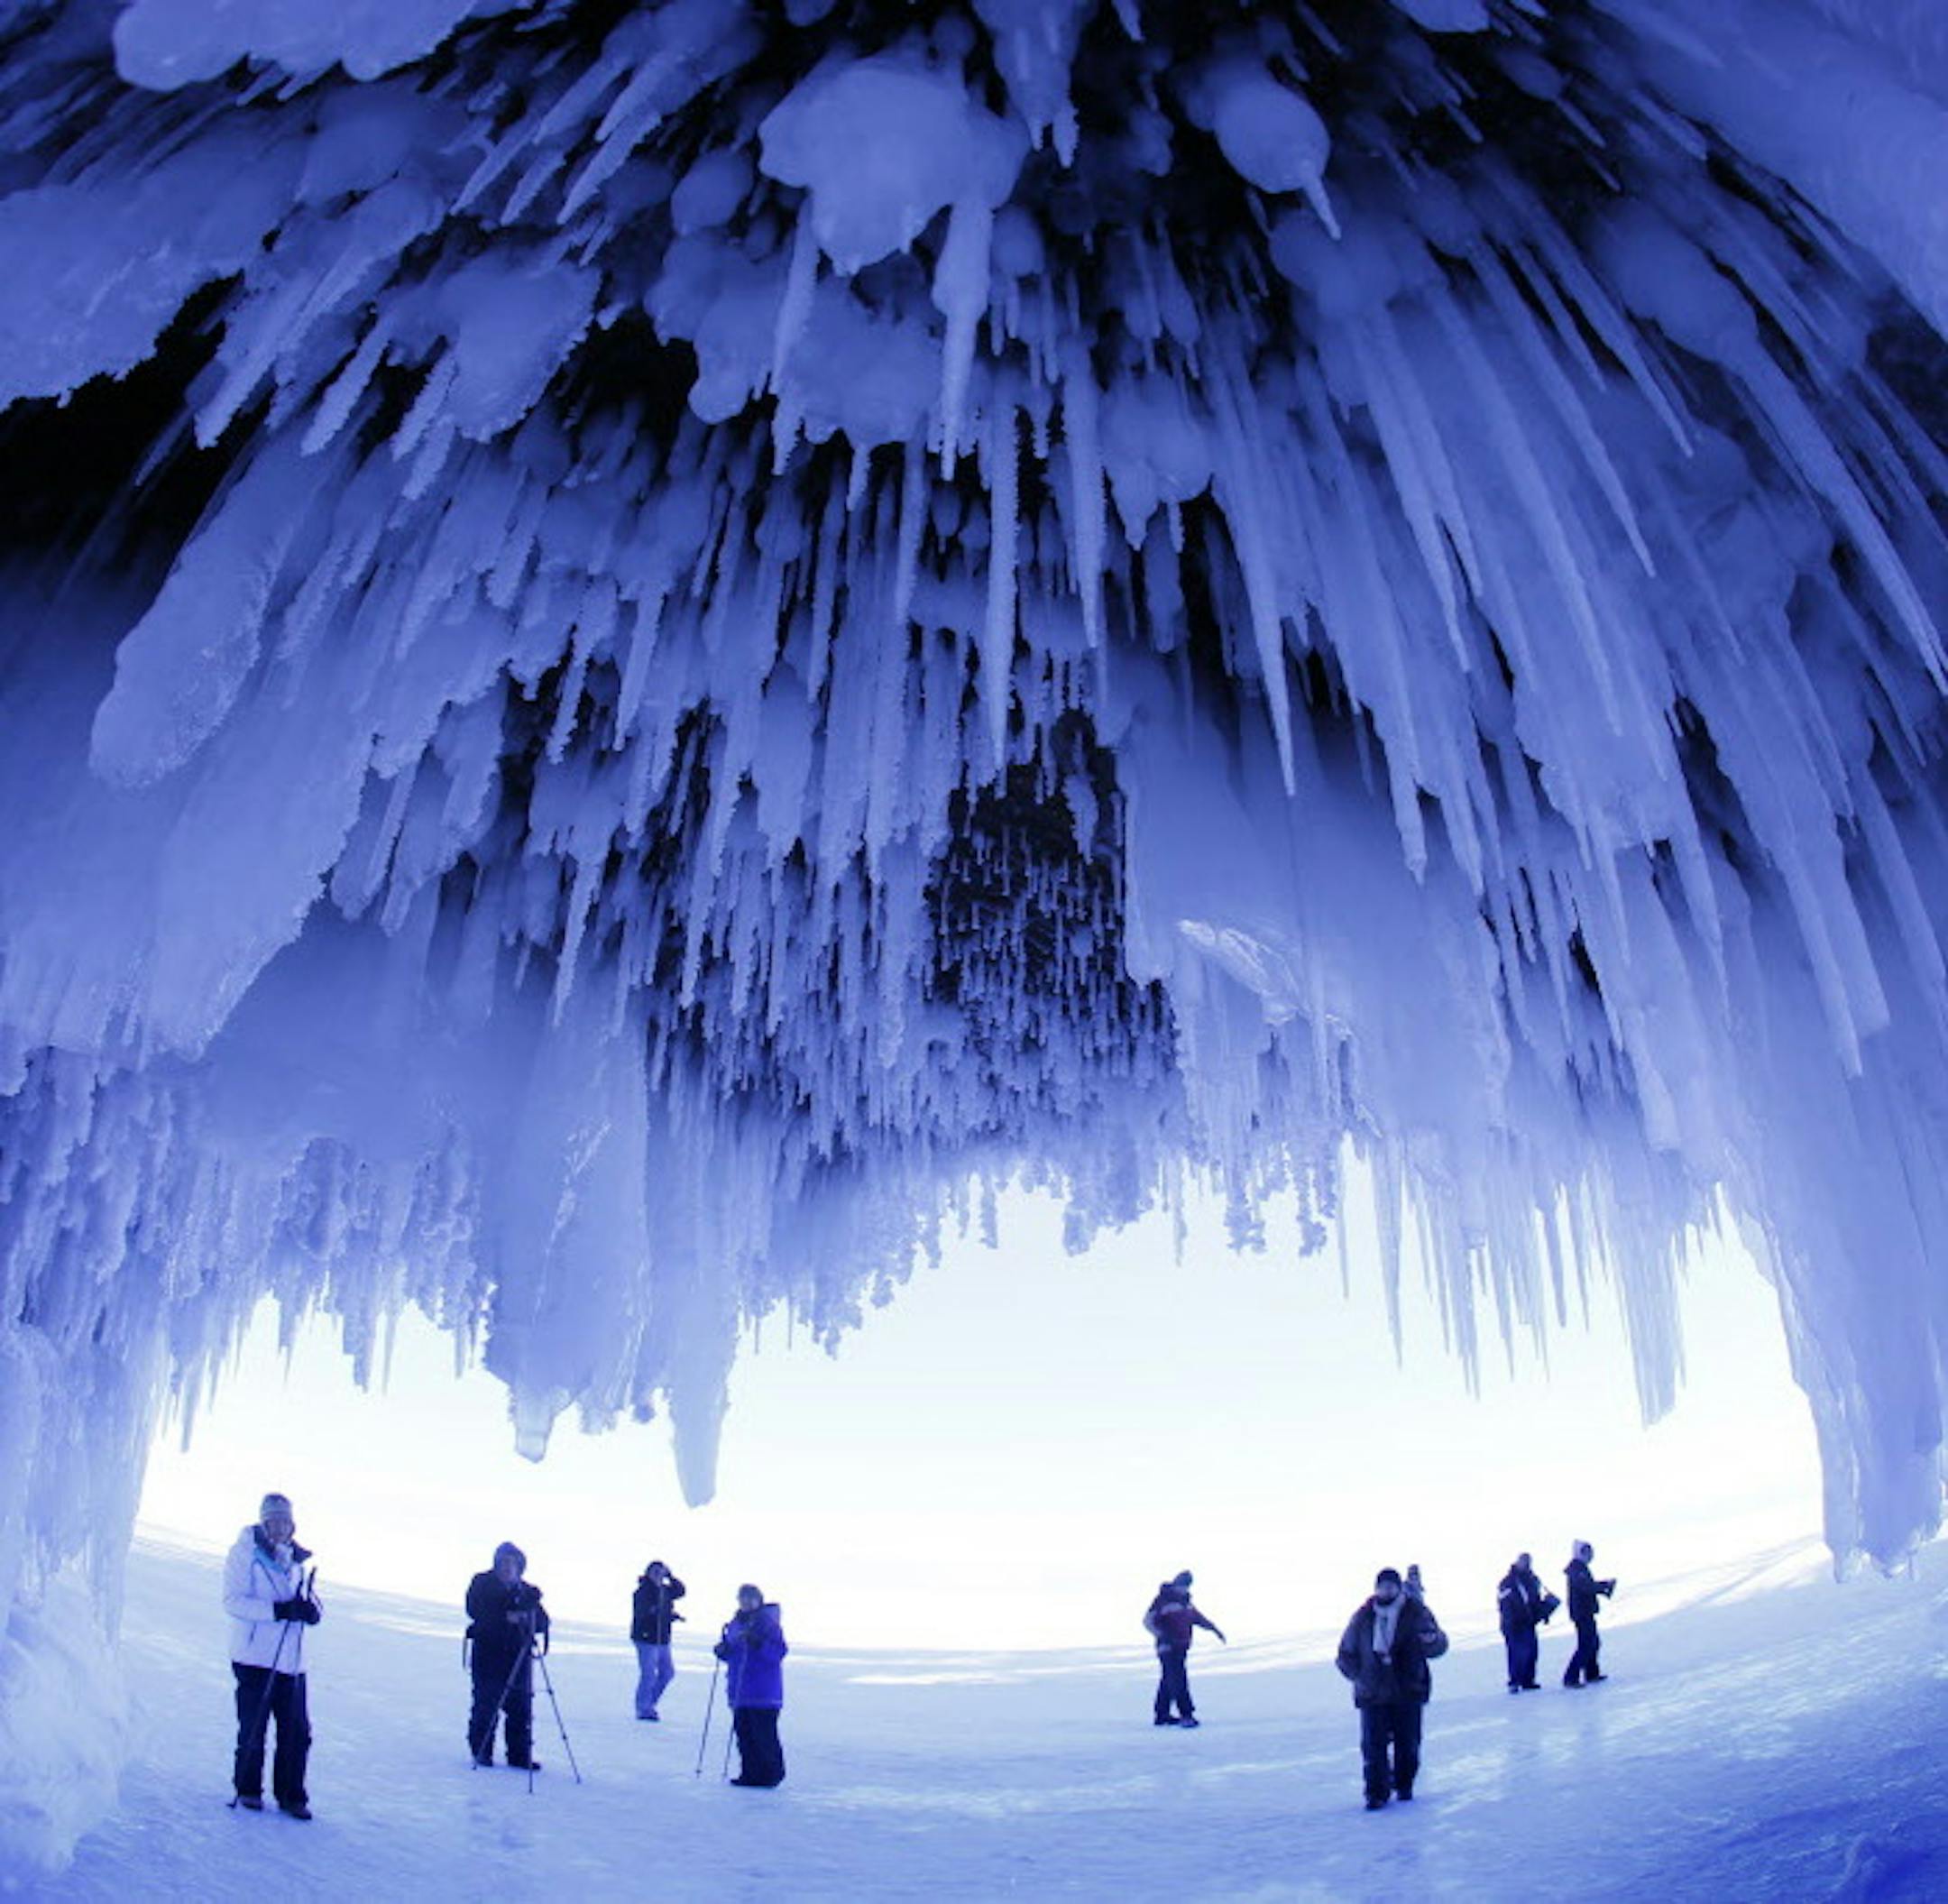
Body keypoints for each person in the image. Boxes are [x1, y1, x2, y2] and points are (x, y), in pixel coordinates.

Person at [223, 1490, 322, 1819]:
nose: (279, 1527)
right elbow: (233, 1601)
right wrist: (277, 1611)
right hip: (254, 1657)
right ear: (263, 1523)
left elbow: (310, 1598)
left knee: (297, 1732)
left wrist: (311, 1611)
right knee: (254, 1728)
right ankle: (248, 1788)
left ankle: (292, 1795)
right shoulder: (244, 1554)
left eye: (284, 1521)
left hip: (292, 1662)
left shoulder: (298, 1559)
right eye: (273, 1520)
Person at [1335, 1565, 1449, 1810]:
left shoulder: (1415, 1612)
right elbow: (1345, 1652)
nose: (1385, 1591)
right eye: (1382, 1586)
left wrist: (1432, 1641)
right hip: (1373, 1692)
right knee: (1373, 1746)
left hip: (1407, 1689)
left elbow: (1438, 1646)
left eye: (1391, 1586)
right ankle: (1376, 1793)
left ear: (1399, 1588)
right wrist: (1359, 1676)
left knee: (1407, 1744)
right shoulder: (1363, 1616)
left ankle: (1404, 1783)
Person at [465, 1541, 551, 1769]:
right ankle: (481, 1750)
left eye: (512, 1563)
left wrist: (526, 1616)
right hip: (488, 1653)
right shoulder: (482, 1583)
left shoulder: (525, 1590)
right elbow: (474, 1611)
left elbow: (543, 1622)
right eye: (503, 1562)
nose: (507, 1567)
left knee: (521, 1707)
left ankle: (519, 1755)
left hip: (518, 1656)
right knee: (487, 1703)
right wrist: (505, 1617)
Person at [714, 1584, 787, 1788]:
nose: (746, 1603)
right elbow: (735, 1652)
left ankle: (771, 1774)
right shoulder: (736, 1623)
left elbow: (778, 1653)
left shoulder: (768, 1623)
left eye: (750, 1598)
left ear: (759, 1600)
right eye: (743, 1598)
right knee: (744, 1734)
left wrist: (758, 1644)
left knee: (763, 1735)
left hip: (763, 1691)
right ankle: (750, 1773)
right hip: (740, 1689)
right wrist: (724, 1651)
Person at [1143, 1568, 1227, 1727]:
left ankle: (1162, 1715)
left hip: (1181, 1646)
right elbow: (1148, 1621)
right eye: (1182, 1585)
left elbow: (1197, 1618)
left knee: (1169, 1680)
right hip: (1167, 1647)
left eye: (1187, 1586)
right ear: (1176, 1584)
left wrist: (1214, 1629)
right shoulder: (1163, 1600)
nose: (1184, 1589)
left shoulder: (1185, 1602)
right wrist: (1162, 1635)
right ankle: (1186, 1714)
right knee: (1178, 1679)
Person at [631, 1559, 686, 1720]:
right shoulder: (643, 1591)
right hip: (646, 1639)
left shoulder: (665, 1590)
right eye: (655, 1572)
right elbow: (645, 1612)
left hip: (662, 1639)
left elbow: (680, 1591)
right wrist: (661, 1614)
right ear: (648, 1573)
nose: (658, 1576)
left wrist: (671, 1576)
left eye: (661, 1573)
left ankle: (649, 1702)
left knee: (667, 1672)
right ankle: (643, 1708)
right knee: (648, 1674)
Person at [1496, 1552, 1557, 1692]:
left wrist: (1544, 1612)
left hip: (1528, 1622)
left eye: (1529, 1562)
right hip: (1513, 1624)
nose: (1527, 1564)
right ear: (1517, 1562)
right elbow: (1504, 1604)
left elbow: (1535, 1600)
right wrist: (1510, 1621)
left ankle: (1528, 1680)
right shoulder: (1507, 1582)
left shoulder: (1532, 1579)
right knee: (1516, 1653)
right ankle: (1514, 1682)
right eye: (1524, 1561)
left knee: (1531, 1651)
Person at [1561, 1540, 1616, 1688]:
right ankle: (1571, 1678)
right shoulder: (1576, 1569)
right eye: (1586, 1552)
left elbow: (1588, 1586)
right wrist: (1604, 1586)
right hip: (1582, 1612)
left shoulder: (1580, 1568)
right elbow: (1586, 1587)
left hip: (1585, 1611)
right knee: (1586, 1644)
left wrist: (1603, 1586)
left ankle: (1591, 1673)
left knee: (1593, 1643)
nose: (1590, 1556)